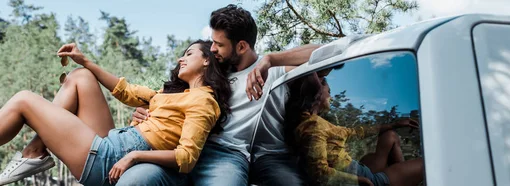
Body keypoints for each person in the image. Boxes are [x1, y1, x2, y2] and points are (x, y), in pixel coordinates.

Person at [131, 4, 320, 186]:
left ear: (242, 47)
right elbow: (177, 96)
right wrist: (149, 111)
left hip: (268, 155)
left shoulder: (275, 69)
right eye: (212, 41)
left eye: (219, 44)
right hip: (215, 150)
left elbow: (321, 52)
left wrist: (270, 60)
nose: (212, 49)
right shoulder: (213, 73)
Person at [0, 39, 231, 186]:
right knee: (82, 76)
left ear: (206, 61)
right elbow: (126, 91)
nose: (181, 58)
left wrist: (135, 156)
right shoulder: (170, 94)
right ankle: (35, 151)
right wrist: (86, 60)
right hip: (114, 142)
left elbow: (186, 158)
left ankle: (34, 153)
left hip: (111, 158)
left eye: (190, 54)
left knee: (24, 100)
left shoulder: (204, 101)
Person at [285, 72, 425, 186]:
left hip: (355, 169)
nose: (331, 98)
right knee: (424, 165)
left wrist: (394, 124)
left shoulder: (316, 122)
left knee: (390, 136)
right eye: (329, 91)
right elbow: (319, 173)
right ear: (318, 93)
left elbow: (356, 132)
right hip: (359, 178)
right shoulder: (312, 126)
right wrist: (357, 181)